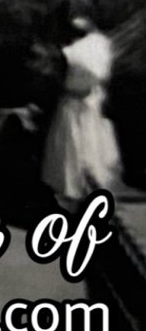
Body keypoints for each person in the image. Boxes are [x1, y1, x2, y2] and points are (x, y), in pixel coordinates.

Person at [44, 13, 124, 200]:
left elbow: (62, 81)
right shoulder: (99, 50)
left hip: (75, 106)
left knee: (75, 150)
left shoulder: (72, 54)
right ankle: (90, 186)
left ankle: (83, 188)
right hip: (90, 105)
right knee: (90, 148)